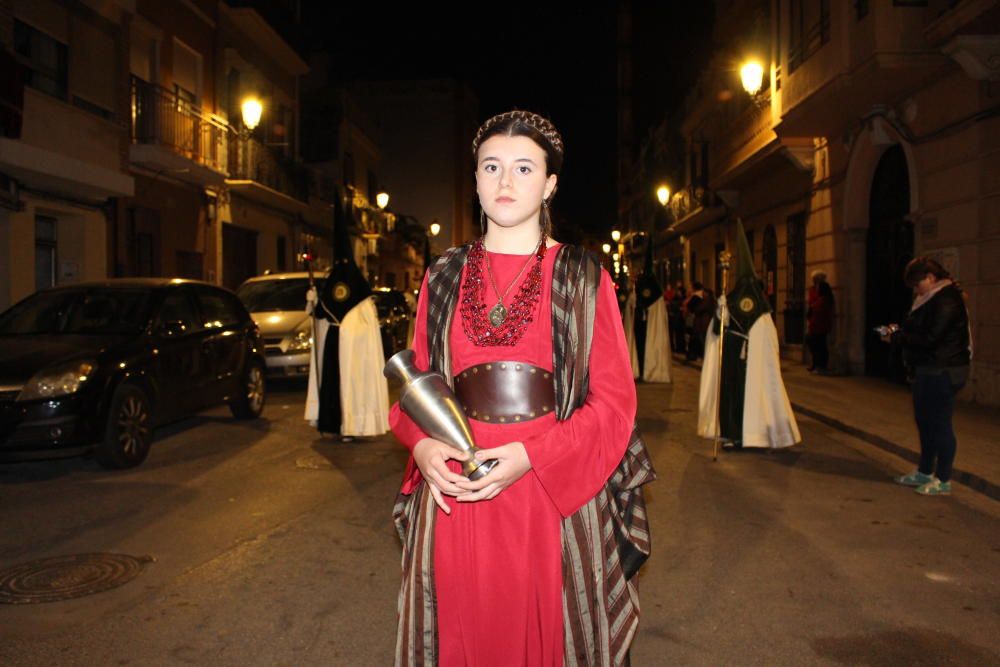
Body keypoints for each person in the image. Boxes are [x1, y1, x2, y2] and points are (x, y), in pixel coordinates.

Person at [389, 110, 655, 666]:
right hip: (459, 494)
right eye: (492, 166)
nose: (505, 182)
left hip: (550, 489)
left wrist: (529, 458)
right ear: (476, 178)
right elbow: (416, 387)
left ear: (550, 183)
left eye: (523, 168)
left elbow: (613, 404)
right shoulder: (442, 275)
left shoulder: (583, 276)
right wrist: (423, 446)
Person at [882, 256, 971, 496]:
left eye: (917, 284)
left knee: (940, 424)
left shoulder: (946, 299)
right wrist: (897, 331)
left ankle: (943, 479)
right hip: (928, 368)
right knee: (924, 422)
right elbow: (918, 330)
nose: (915, 289)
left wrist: (899, 339)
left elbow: (933, 338)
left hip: (943, 369)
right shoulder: (928, 298)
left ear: (931, 278)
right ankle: (924, 471)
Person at [806, 270, 834, 374]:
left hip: (819, 325)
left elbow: (819, 308)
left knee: (820, 345)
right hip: (816, 324)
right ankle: (816, 364)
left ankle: (820, 366)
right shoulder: (813, 290)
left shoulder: (824, 298)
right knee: (816, 344)